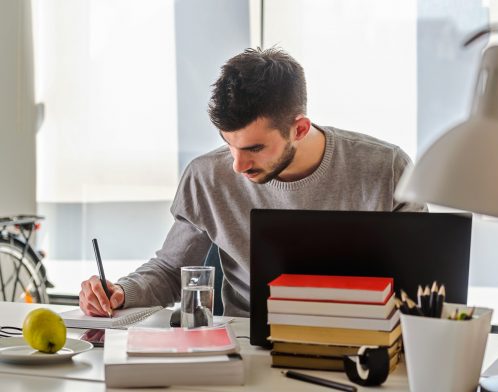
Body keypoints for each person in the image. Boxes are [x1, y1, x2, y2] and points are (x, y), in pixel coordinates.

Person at [79, 48, 427, 318]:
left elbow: (423, 285)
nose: (237, 164)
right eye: (229, 143)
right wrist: (121, 291)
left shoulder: (386, 169)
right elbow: (171, 271)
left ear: (299, 129)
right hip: (250, 345)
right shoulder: (207, 176)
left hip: (365, 340)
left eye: (255, 148)